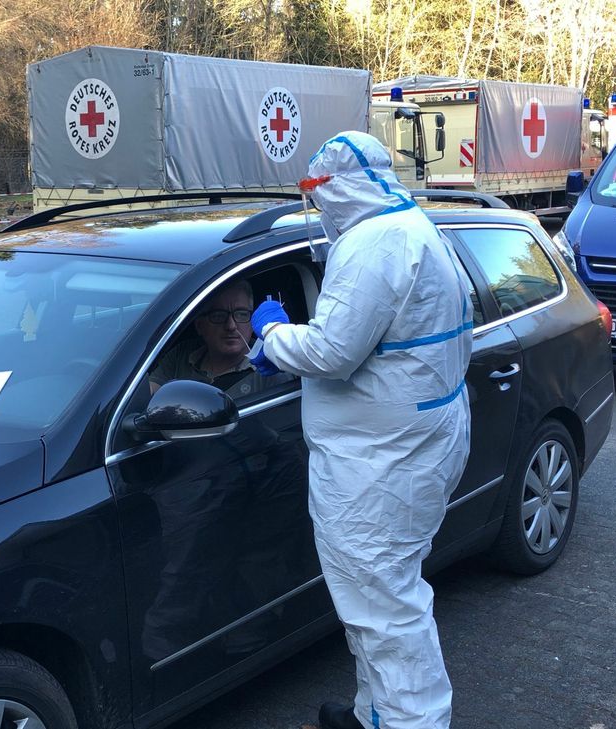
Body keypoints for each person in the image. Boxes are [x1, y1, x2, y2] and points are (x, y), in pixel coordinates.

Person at [250, 131, 473, 729]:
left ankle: (410, 723)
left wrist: (272, 333)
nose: (315, 207)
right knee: (377, 593)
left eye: (316, 194)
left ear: (335, 189)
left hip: (380, 463)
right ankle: (372, 714)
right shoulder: (412, 225)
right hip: (414, 443)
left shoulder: (372, 243)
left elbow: (332, 352)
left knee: (384, 609)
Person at [149, 278, 291, 400]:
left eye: (241, 314)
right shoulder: (182, 355)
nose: (231, 326)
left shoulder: (271, 364)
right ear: (200, 325)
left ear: (253, 321)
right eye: (219, 315)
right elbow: (145, 397)